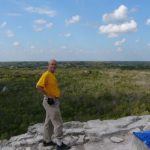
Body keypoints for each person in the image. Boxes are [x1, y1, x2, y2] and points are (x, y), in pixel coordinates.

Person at [36, 59, 70, 150]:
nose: (53, 66)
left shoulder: (52, 75)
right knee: (58, 123)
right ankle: (59, 144)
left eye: (55, 64)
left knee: (49, 122)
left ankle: (47, 141)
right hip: (50, 102)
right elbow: (38, 86)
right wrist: (49, 96)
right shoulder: (46, 74)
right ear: (48, 65)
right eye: (52, 64)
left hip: (52, 101)